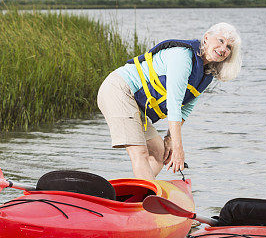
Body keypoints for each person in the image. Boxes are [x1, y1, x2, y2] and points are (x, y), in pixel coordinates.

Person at [97, 23, 242, 181]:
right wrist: (179, 149)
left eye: (228, 47)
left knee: (160, 153)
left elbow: (185, 109)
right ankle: (146, 200)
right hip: (119, 90)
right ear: (206, 38)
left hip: (135, 104)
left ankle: (135, 195)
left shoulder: (206, 74)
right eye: (220, 41)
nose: (223, 49)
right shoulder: (183, 56)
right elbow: (174, 104)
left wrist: (169, 139)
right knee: (140, 153)